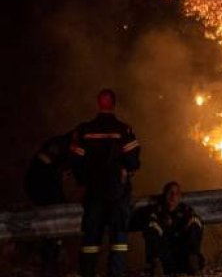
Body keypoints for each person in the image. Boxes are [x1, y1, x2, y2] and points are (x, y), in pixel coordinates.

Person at [69, 89, 140, 277]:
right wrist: (125, 172)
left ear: (98, 103)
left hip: (94, 192)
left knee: (91, 237)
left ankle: (88, 272)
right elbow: (133, 161)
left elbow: (76, 160)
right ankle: (115, 273)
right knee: (118, 237)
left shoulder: (84, 130)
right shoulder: (124, 130)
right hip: (117, 191)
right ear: (114, 104)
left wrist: (83, 180)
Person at [24, 131, 74, 276]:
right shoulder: (58, 145)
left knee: (60, 211)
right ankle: (47, 254)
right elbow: (44, 163)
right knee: (55, 214)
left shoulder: (72, 150)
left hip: (49, 186)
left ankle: (52, 251)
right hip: (39, 184)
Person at [143, 182, 204, 276]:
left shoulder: (186, 210)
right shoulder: (156, 211)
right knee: (151, 228)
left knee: (195, 223)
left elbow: (195, 224)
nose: (173, 196)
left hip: (183, 256)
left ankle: (193, 263)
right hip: (164, 258)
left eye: (176, 193)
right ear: (164, 195)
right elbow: (151, 227)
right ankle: (156, 265)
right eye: (170, 193)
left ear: (180, 197)